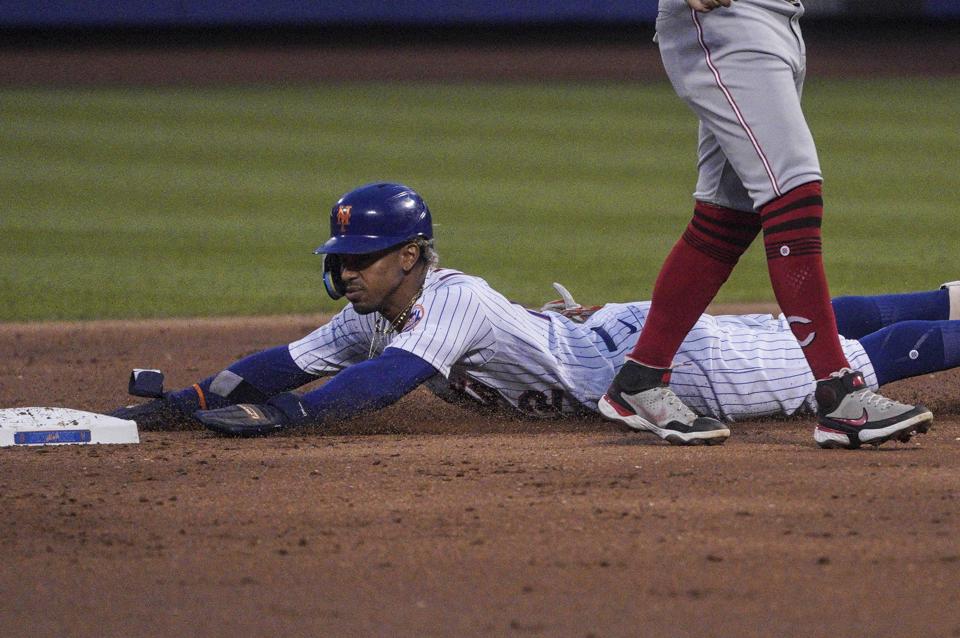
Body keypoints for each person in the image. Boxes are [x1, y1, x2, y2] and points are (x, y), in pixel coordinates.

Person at [110, 182, 958, 449]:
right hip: (617, 336)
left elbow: (383, 385)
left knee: (855, 360)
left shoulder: (451, 301)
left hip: (673, 368)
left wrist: (283, 420)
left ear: (410, 254)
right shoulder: (376, 309)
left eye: (359, 259)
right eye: (340, 262)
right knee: (816, 326)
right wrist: (187, 400)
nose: (347, 274)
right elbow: (290, 360)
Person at [598, 0, 936, 448]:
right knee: (794, 195)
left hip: (778, 20)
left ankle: (640, 379)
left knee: (728, 214)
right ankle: (840, 395)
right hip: (727, 21)